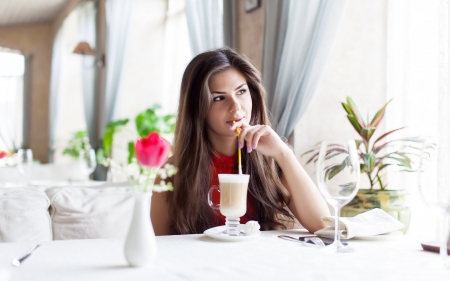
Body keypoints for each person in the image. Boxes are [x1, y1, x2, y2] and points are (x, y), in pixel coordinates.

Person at [151, 47, 329, 235]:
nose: (235, 106)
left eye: (241, 91)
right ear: (198, 109)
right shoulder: (171, 174)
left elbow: (323, 226)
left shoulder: (272, 163)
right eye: (219, 98)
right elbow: (162, 247)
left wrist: (283, 154)